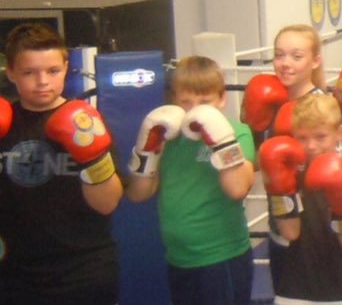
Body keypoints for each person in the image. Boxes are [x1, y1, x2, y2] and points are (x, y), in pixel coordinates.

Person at [0, 23, 123, 304]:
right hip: (14, 276)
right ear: (11, 73)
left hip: (84, 270)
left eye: (53, 71)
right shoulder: (4, 126)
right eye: (29, 72)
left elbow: (107, 203)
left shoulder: (84, 122)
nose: (42, 81)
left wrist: (91, 153)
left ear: (66, 67)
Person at [124, 56, 257, 304]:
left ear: (222, 98)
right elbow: (138, 194)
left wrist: (221, 140)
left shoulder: (237, 132)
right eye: (187, 102)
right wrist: (147, 151)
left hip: (222, 258)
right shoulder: (167, 137)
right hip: (179, 259)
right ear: (175, 101)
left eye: (205, 102)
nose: (195, 111)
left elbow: (238, 188)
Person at [261, 94, 342, 304]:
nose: (311, 146)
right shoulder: (285, 171)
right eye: (302, 137)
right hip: (295, 287)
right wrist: (280, 187)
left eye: (320, 137)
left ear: (339, 133)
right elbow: (290, 232)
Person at [243, 25, 328, 145]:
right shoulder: (266, 95)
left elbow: (333, 159)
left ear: (315, 61)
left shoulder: (320, 106)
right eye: (279, 55)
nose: (285, 63)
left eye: (297, 56)